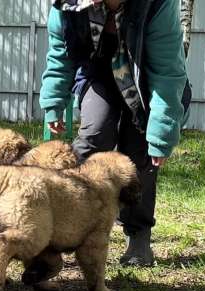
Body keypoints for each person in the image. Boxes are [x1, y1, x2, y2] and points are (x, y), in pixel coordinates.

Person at [39, 0, 191, 266]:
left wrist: (161, 134)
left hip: (146, 78)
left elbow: (166, 73)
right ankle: (65, 227)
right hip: (97, 75)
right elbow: (60, 54)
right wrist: (53, 102)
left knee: (139, 155)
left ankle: (139, 237)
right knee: (94, 137)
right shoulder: (67, 5)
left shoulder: (157, 5)